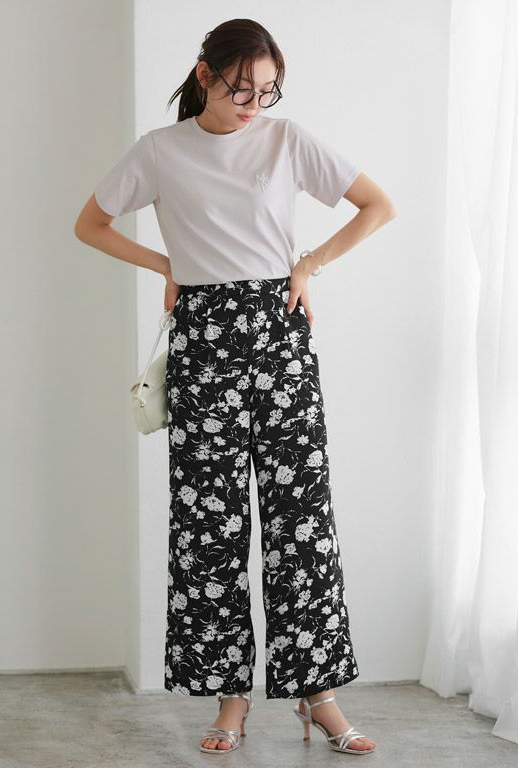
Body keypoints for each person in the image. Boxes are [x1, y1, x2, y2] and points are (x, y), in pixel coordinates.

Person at [75, 17, 395, 757]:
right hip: (205, 341)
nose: (254, 103)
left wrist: (308, 264)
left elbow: (378, 204)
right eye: (240, 88)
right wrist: (165, 266)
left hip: (280, 335)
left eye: (266, 90)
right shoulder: (160, 151)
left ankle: (319, 696)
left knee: (301, 524)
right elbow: (90, 224)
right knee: (209, 529)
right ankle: (230, 702)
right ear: (204, 74)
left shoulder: (288, 142)